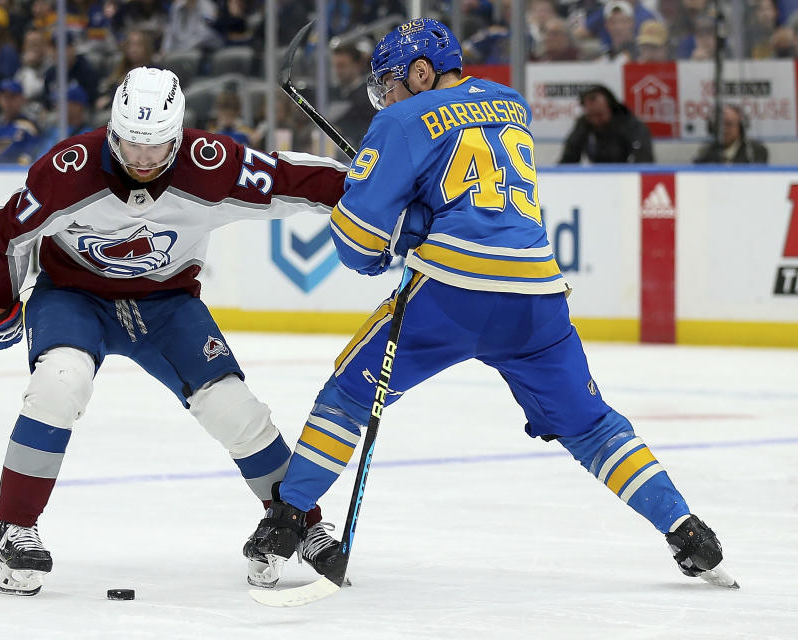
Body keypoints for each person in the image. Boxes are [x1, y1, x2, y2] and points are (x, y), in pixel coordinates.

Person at [245, 18, 736, 590]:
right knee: (591, 426)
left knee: (350, 393)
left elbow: (357, 246)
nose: (387, 96)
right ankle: (688, 531)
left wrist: (399, 225)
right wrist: (420, 213)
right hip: (538, 297)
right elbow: (476, 193)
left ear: (422, 71)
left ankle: (284, 524)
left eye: (392, 82)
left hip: (453, 294)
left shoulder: (399, 120)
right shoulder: (510, 102)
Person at [0, 66, 347, 596]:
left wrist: (370, 190)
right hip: (74, 296)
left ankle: (298, 521)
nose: (143, 159)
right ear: (112, 129)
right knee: (59, 384)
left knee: (233, 407)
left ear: (180, 134)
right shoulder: (68, 169)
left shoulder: (210, 166)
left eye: (158, 145)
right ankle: (16, 527)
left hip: (167, 303)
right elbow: (3, 231)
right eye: (129, 143)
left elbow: (288, 179)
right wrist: (0, 302)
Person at [559, 84, 654, 164]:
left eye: (599, 115)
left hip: (627, 178)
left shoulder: (632, 126)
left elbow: (644, 160)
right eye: (590, 115)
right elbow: (569, 157)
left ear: (611, 109)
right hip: (596, 178)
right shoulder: (584, 124)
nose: (595, 120)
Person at [693, 104, 769, 164]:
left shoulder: (754, 151)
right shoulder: (705, 153)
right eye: (718, 125)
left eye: (728, 124)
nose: (723, 129)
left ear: (740, 127)